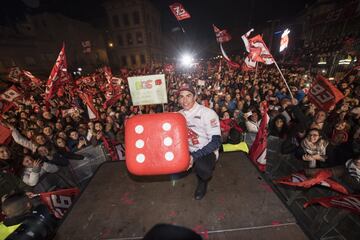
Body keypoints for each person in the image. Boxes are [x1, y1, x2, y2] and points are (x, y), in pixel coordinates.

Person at [178, 82, 221, 200]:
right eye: (181, 96)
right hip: (187, 149)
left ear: (195, 97)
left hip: (206, 151)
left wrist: (195, 156)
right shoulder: (178, 115)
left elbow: (216, 141)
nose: (185, 100)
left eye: (188, 96)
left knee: (204, 169)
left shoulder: (207, 113)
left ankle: (203, 181)